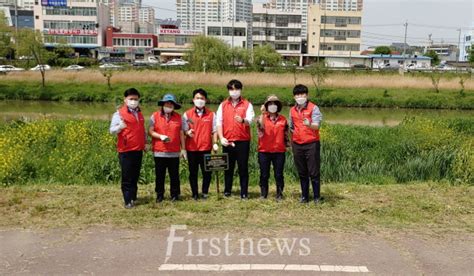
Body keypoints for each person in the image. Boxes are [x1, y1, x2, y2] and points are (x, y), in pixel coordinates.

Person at [216, 79, 255, 199]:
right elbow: (219, 122)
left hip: (242, 141)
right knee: (228, 167)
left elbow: (251, 120)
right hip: (227, 141)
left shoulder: (247, 104)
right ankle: (227, 190)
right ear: (228, 90)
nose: (234, 92)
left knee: (243, 167)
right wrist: (221, 137)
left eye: (236, 89)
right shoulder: (223, 105)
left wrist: (243, 120)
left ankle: (244, 192)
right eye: (231, 89)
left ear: (240, 90)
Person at [109, 88, 146, 209]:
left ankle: (133, 197)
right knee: (127, 176)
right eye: (131, 99)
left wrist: (144, 143)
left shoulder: (139, 113)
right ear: (125, 100)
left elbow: (141, 130)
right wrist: (119, 126)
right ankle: (127, 200)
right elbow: (112, 130)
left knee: (135, 175)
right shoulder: (119, 114)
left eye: (136, 99)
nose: (133, 101)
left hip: (138, 149)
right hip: (126, 150)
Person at [148, 93, 186, 202]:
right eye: (167, 104)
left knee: (174, 175)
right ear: (163, 104)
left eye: (171, 104)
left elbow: (181, 134)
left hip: (174, 152)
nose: (168, 106)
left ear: (174, 106)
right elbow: (150, 131)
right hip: (159, 151)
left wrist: (183, 149)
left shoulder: (179, 117)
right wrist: (160, 136)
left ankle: (175, 195)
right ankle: (159, 195)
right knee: (160, 175)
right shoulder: (154, 116)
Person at [183, 88, 219, 200]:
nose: (199, 100)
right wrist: (187, 132)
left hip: (205, 148)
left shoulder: (211, 114)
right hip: (192, 149)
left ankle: (205, 193)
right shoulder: (187, 114)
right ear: (193, 99)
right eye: (197, 98)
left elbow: (214, 130)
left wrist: (215, 143)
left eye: (202, 98)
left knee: (207, 173)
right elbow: (183, 130)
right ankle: (194, 194)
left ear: (206, 100)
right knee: (193, 173)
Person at [289, 84, 323, 204]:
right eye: (297, 95)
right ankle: (304, 196)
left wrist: (309, 124)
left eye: (302, 94)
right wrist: (291, 143)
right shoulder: (292, 110)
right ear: (294, 97)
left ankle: (317, 197)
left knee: (313, 172)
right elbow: (291, 127)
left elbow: (317, 125)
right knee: (302, 172)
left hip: (311, 144)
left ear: (307, 95)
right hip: (297, 144)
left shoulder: (314, 108)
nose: (300, 97)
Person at [256, 95, 289, 201]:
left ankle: (279, 194)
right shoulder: (262, 118)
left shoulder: (283, 119)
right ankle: (263, 194)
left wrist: (289, 145)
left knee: (279, 174)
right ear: (266, 106)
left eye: (275, 104)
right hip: (264, 151)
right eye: (270, 104)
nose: (272, 106)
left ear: (278, 106)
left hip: (279, 151)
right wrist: (262, 113)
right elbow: (260, 127)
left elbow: (286, 135)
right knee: (264, 174)